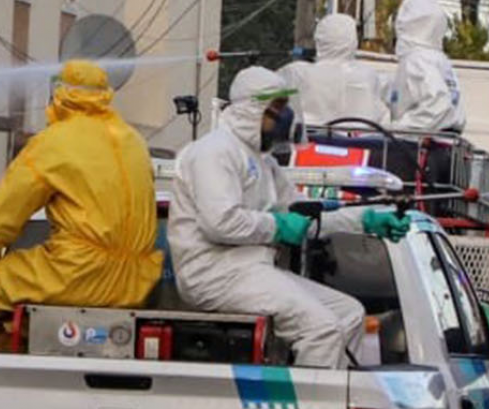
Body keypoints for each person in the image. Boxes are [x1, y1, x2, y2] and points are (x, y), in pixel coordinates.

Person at [170, 67, 410, 367]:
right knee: (321, 328)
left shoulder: (263, 162)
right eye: (278, 108)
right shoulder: (214, 152)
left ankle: (335, 400)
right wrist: (277, 226)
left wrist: (367, 218)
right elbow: (220, 222)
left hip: (250, 270)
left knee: (348, 314)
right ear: (251, 109)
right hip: (214, 274)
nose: (286, 118)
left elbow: (304, 214)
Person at [0, 60, 162, 350]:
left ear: (60, 94)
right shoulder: (134, 141)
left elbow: (0, 220)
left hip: (75, 272)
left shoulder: (53, 142)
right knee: (21, 326)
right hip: (136, 280)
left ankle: (1, 387)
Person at [282, 13, 389, 127]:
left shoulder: (297, 73)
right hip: (360, 141)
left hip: (309, 140)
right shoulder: (367, 75)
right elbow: (380, 114)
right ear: (353, 40)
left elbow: (267, 95)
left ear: (319, 38)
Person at [385, 0, 466, 133]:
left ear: (405, 23)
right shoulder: (440, 60)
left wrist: (397, 129)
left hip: (419, 144)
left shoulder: (417, 60)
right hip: (446, 142)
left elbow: (437, 105)